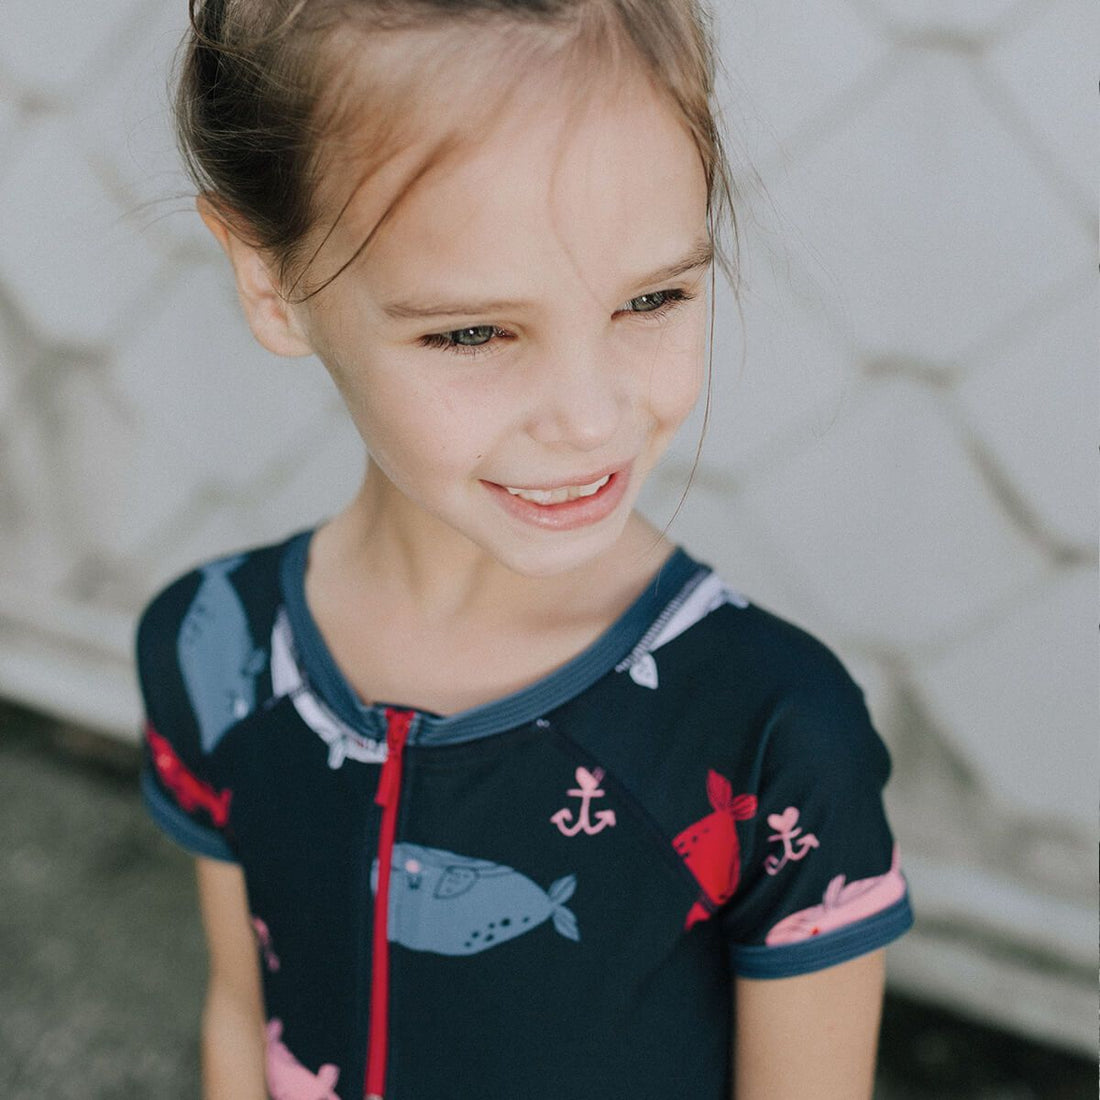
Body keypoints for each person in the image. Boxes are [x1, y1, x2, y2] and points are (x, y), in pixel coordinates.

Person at [136, 2, 914, 1097]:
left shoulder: (770, 735)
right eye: (472, 330)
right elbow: (240, 1010)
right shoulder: (212, 650)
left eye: (651, 298)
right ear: (270, 279)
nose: (588, 418)